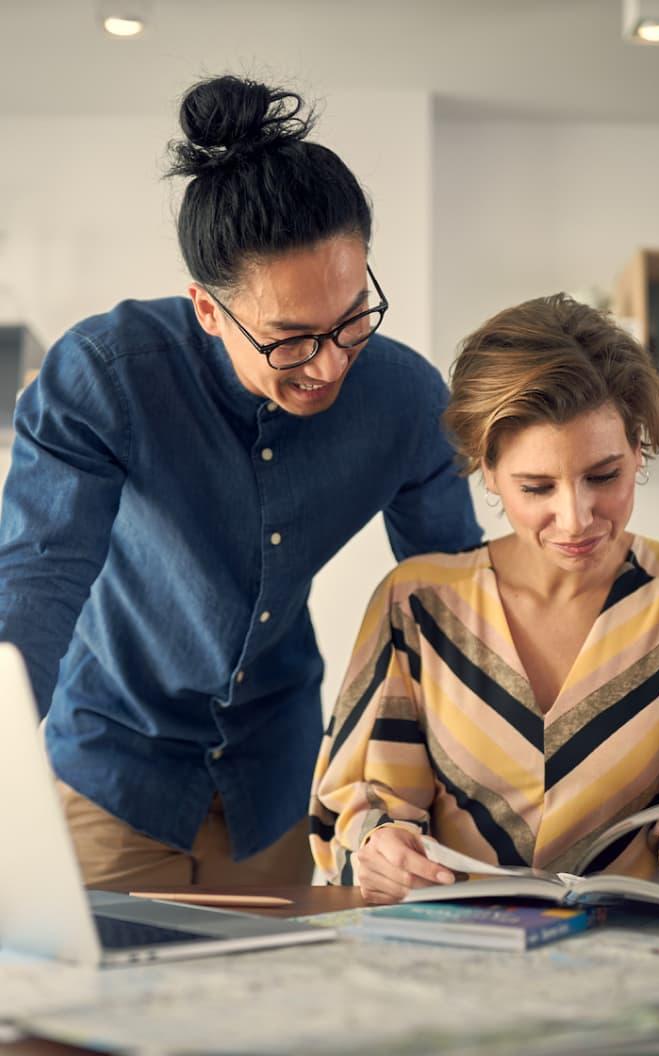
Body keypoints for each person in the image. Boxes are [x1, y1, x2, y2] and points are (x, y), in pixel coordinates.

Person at [0, 75, 481, 890]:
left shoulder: (404, 399)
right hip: (113, 766)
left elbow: (454, 602)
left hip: (278, 777)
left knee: (269, 1007)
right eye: (290, 339)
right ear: (208, 310)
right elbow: (40, 577)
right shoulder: (106, 375)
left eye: (353, 316)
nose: (330, 364)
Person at [310, 292, 659, 902]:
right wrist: (379, 851)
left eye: (604, 476)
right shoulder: (416, 604)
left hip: (647, 965)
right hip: (452, 961)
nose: (575, 519)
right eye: (536, 487)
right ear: (486, 468)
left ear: (638, 447)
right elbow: (363, 818)